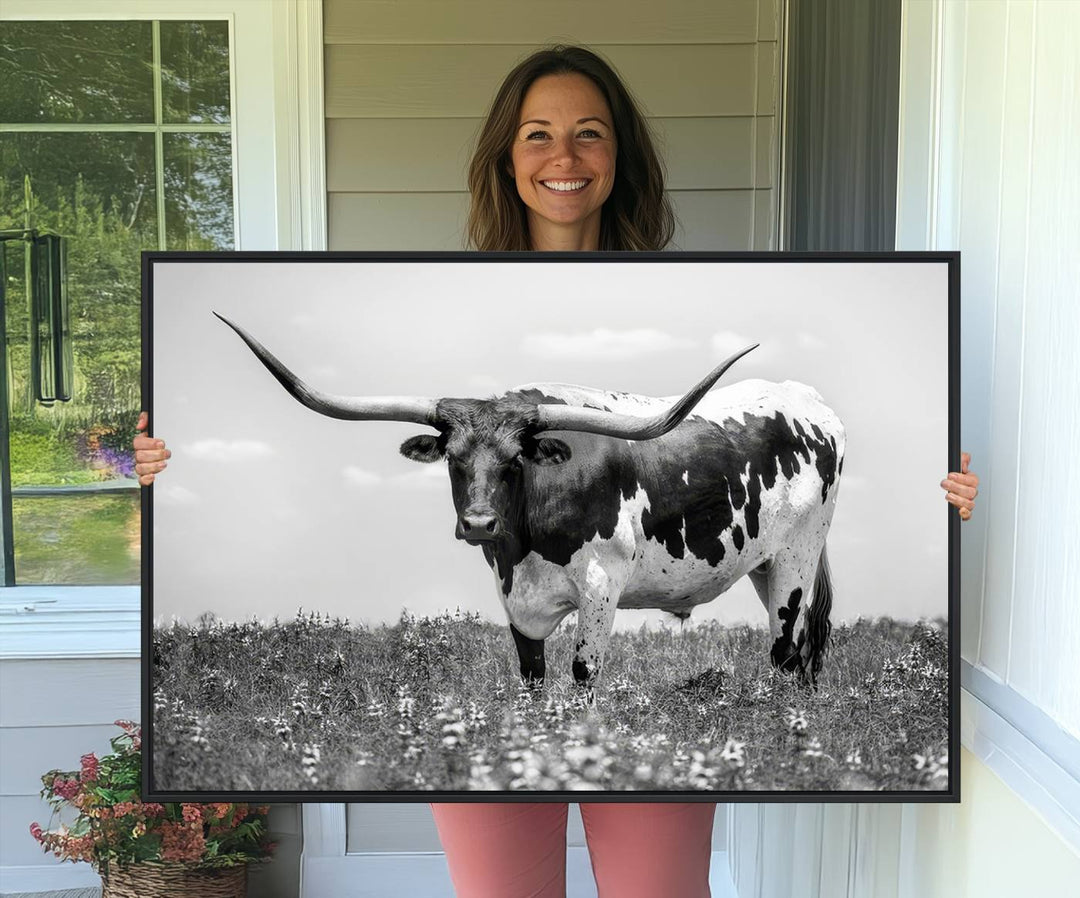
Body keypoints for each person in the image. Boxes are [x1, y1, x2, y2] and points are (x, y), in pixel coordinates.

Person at [134, 45, 978, 898]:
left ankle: (723, 694)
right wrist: (162, 461)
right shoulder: (433, 291)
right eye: (537, 135)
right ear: (507, 156)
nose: (563, 158)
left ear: (621, 157)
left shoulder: (706, 289)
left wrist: (948, 494)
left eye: (590, 135)